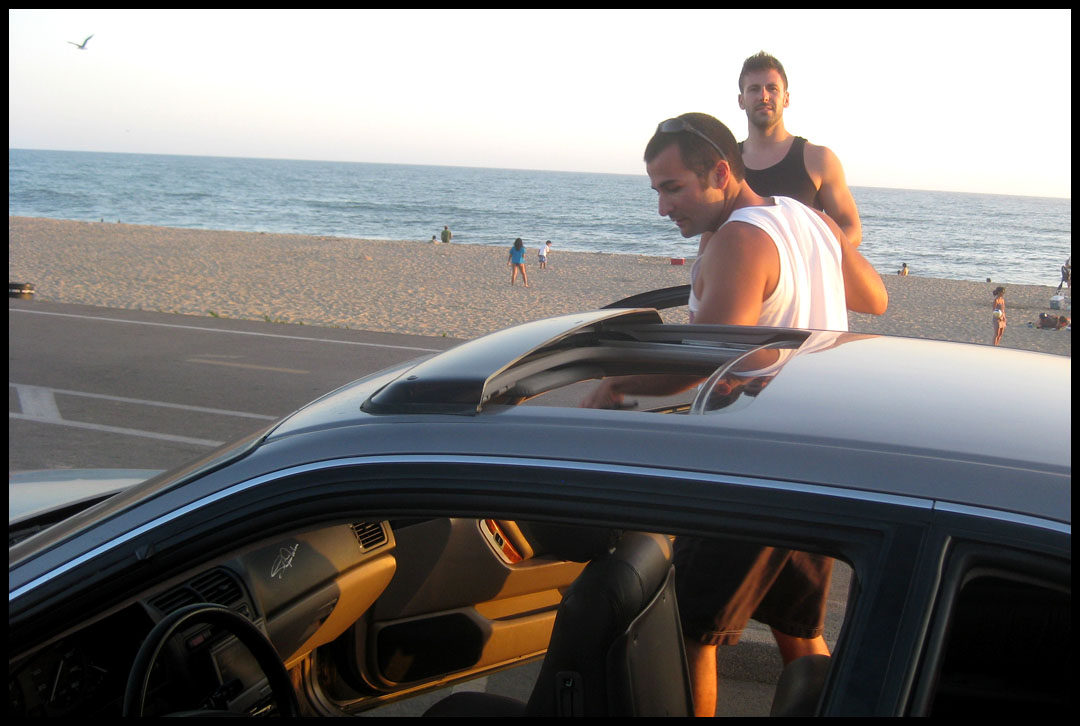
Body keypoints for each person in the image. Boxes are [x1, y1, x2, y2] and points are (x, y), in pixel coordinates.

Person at [581, 112, 886, 717]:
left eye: (674, 188)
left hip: (752, 466)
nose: (663, 208)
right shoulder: (810, 218)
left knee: (690, 627)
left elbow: (708, 359)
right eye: (657, 190)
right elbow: (874, 297)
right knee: (798, 629)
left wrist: (615, 385)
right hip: (815, 457)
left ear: (721, 172)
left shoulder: (740, 239)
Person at [736, 51, 862, 247]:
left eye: (772, 88)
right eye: (754, 89)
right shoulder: (726, 163)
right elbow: (710, 238)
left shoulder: (819, 160)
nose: (764, 96)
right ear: (741, 100)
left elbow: (851, 228)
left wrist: (808, 255)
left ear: (786, 98)